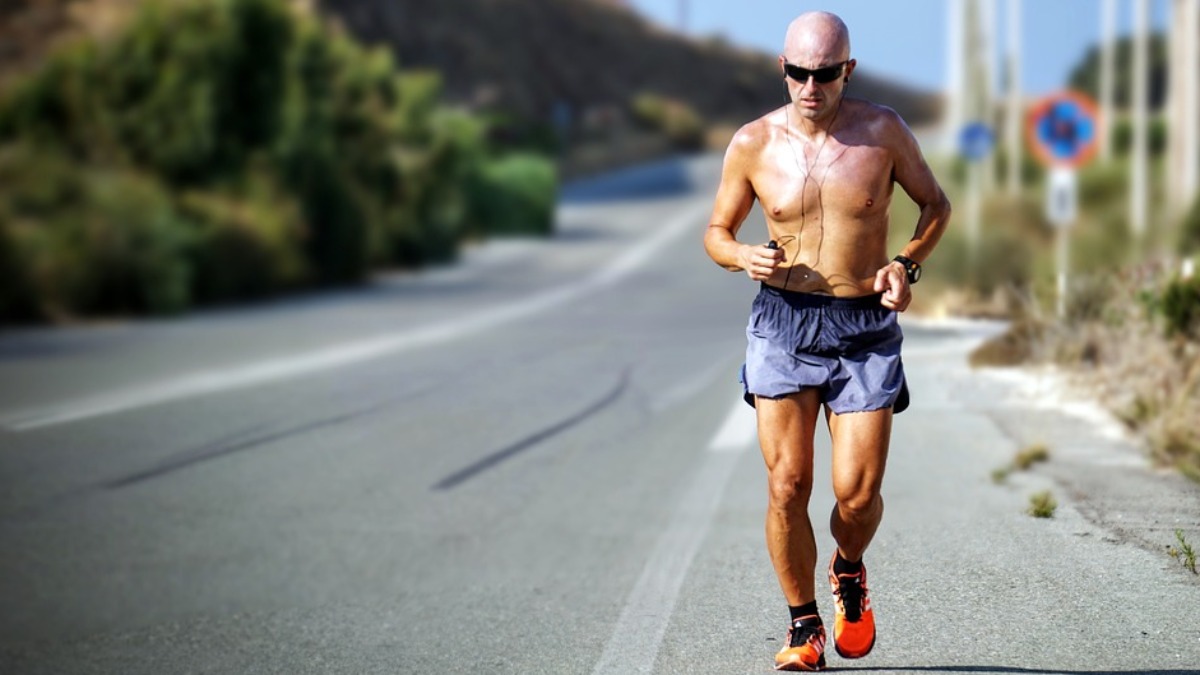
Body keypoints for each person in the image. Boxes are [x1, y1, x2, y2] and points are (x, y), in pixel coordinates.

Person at [702, 10, 951, 672]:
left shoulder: (883, 132)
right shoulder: (753, 143)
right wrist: (739, 256)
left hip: (863, 325)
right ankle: (803, 623)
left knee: (857, 495)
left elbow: (936, 205)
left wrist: (907, 264)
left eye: (825, 74)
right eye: (797, 73)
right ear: (781, 69)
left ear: (848, 70)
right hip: (782, 320)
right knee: (787, 483)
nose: (810, 87)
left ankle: (848, 567)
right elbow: (716, 230)